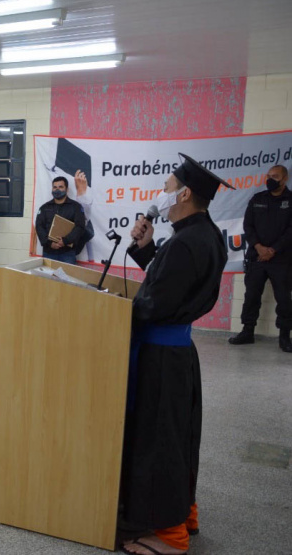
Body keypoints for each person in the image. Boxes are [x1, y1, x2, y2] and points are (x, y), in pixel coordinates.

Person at [120, 153, 232, 555]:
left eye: (167, 187)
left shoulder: (187, 241)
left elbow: (156, 304)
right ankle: (182, 513)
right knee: (175, 437)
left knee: (159, 441)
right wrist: (148, 249)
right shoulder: (202, 234)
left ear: (184, 194)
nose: (162, 194)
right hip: (176, 352)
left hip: (163, 361)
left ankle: (167, 534)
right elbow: (173, 286)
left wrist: (110, 309)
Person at [228, 164, 292, 352]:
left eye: (275, 176)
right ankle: (247, 332)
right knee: (251, 296)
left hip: (282, 259)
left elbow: (291, 231)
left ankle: (284, 337)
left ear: (285, 179)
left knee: (284, 298)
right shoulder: (257, 199)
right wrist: (259, 247)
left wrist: (273, 250)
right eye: (269, 175)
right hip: (257, 257)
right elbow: (248, 226)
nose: (271, 179)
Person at [34, 176, 87, 265]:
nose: (57, 189)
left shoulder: (76, 207)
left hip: (67, 253)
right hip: (49, 252)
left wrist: (65, 241)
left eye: (60, 187)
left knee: (68, 278)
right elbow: (39, 226)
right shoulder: (44, 208)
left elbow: (80, 227)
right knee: (48, 279)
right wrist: (50, 243)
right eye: (55, 187)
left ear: (67, 189)